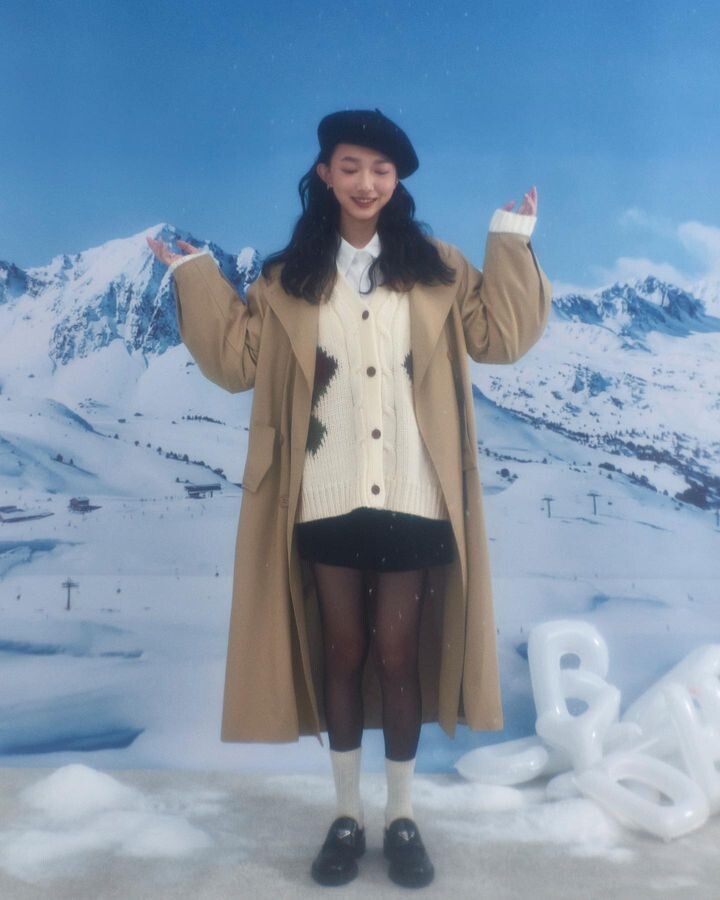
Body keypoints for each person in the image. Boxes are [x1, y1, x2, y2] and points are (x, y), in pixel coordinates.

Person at [147, 108, 551, 889]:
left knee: (398, 657)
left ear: (397, 182)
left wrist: (510, 240)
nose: (366, 182)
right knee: (342, 652)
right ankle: (345, 816)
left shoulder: (437, 266)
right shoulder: (287, 278)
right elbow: (234, 362)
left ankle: (401, 816)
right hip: (324, 496)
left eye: (381, 170)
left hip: (415, 493)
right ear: (325, 174)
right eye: (351, 166)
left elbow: (499, 339)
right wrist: (194, 274)